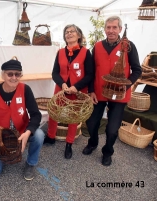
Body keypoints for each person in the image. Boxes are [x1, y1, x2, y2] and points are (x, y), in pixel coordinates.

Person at [83, 16, 142, 166]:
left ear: (120, 29)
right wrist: (91, 91)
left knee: (112, 130)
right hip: (99, 92)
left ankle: (107, 151)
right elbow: (91, 71)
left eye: (114, 27)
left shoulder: (128, 46)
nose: (111, 30)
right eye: (108, 27)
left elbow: (137, 70)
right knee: (91, 123)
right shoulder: (97, 47)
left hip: (120, 95)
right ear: (104, 29)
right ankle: (93, 142)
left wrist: (125, 86)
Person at [0, 58, 45, 181]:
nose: (14, 77)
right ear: (3, 75)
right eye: (10, 74)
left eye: (17, 74)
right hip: (1, 138)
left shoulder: (25, 89)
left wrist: (27, 133)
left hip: (22, 132)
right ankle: (6, 152)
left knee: (39, 134)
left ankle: (31, 163)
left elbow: (36, 115)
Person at [43, 24, 94, 159]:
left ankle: (69, 144)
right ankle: (50, 136)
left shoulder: (85, 52)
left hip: (78, 91)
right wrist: (62, 84)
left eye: (72, 31)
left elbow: (90, 74)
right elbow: (55, 73)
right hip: (61, 89)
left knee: (74, 117)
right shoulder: (60, 52)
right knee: (54, 112)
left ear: (79, 35)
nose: (69, 34)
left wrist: (76, 87)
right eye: (67, 32)